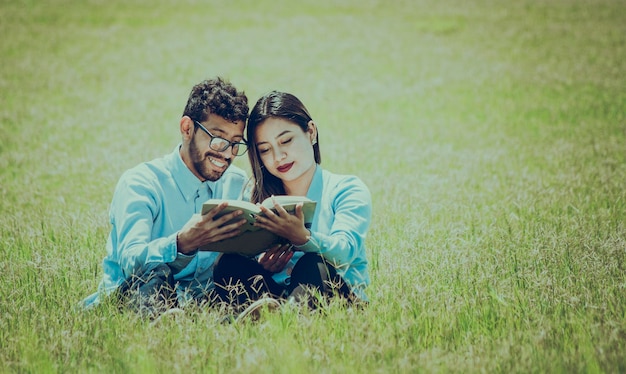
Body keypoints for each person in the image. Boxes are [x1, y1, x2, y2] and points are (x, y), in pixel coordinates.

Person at [82, 77, 251, 316]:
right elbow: (130, 261)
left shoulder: (237, 183)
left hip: (200, 302)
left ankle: (250, 321)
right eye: (217, 138)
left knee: (239, 267)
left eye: (235, 143)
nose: (226, 153)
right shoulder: (140, 183)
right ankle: (160, 324)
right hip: (135, 293)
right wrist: (181, 244)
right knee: (157, 272)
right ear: (187, 128)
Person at [213, 91, 372, 308]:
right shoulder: (255, 195)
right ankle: (268, 317)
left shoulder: (346, 189)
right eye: (265, 150)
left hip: (335, 296)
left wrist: (303, 238)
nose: (278, 157)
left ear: (311, 132)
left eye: (286, 141)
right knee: (229, 264)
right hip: (278, 294)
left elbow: (344, 253)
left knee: (313, 263)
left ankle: (287, 319)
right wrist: (263, 263)